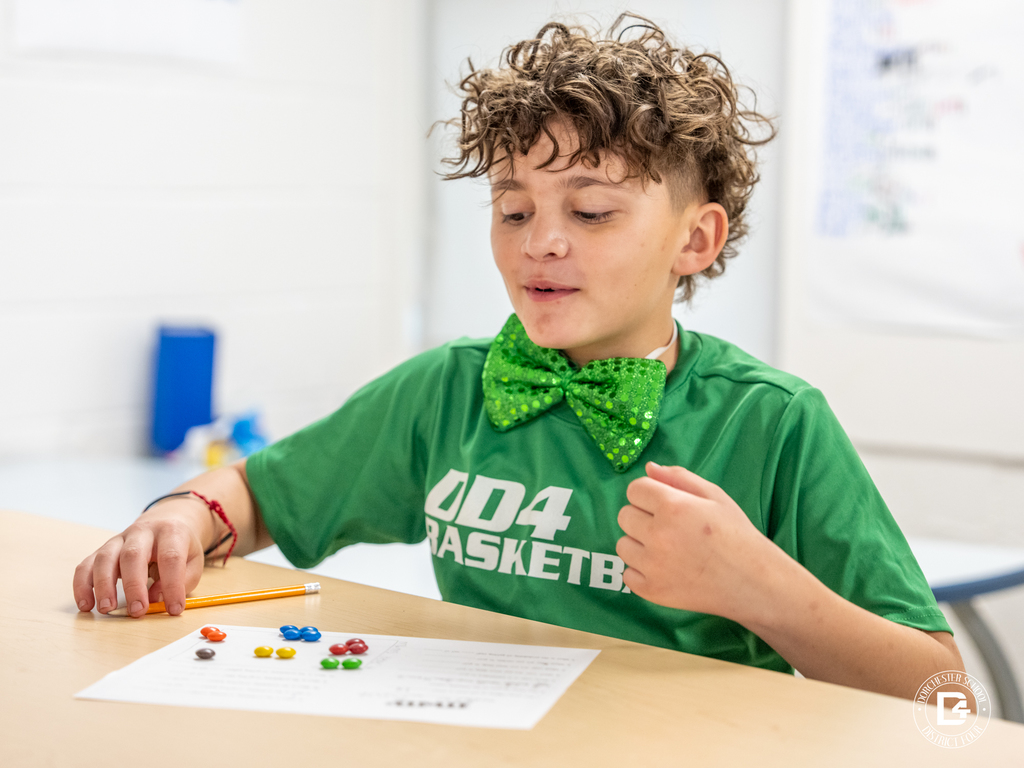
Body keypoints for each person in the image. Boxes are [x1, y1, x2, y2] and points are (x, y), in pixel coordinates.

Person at [72, 14, 966, 700]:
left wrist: (760, 589)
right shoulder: (448, 388)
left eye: (590, 212)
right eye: (512, 210)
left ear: (695, 241)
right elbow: (262, 493)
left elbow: (943, 693)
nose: (539, 242)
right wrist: (183, 518)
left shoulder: (768, 419)